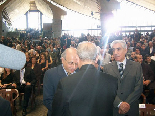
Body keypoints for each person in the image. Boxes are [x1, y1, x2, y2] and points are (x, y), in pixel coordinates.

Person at [51, 41, 118, 116]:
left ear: (77, 58)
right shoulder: (112, 81)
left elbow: (57, 112)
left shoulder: (65, 83)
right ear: (96, 58)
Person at [103, 40, 143, 116]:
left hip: (131, 108)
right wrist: (119, 103)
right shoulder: (107, 68)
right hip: (114, 109)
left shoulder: (136, 66)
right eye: (113, 50)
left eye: (118, 49)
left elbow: (139, 87)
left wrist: (126, 104)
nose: (115, 52)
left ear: (125, 50)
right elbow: (106, 89)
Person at [43, 47, 78, 116]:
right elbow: (48, 101)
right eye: (71, 63)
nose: (74, 67)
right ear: (62, 60)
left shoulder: (81, 72)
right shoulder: (50, 74)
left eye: (76, 63)